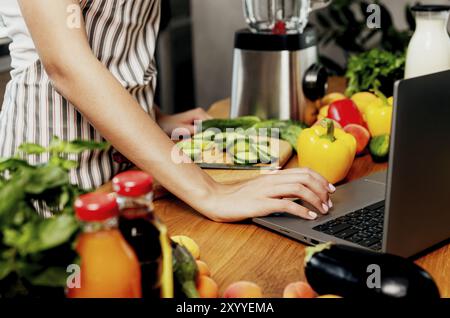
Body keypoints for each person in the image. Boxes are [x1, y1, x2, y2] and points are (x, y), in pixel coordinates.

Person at [0, 0, 334, 222]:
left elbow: (112, 45)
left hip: (134, 178)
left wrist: (153, 115)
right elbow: (65, 62)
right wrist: (211, 192)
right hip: (55, 184)